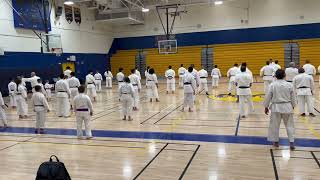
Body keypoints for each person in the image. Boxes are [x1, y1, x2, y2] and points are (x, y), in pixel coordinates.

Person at [264, 69, 296, 150]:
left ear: (275, 76)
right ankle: (291, 143)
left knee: (274, 125)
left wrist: (266, 106)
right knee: (290, 125)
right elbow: (293, 97)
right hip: (287, 106)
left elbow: (268, 97)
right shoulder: (289, 85)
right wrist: (293, 105)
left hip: (276, 107)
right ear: (285, 75)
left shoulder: (272, 85)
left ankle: (276, 142)